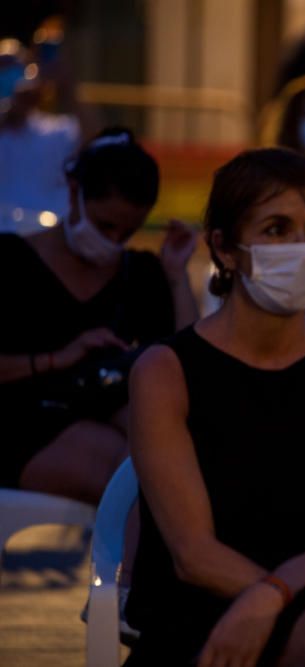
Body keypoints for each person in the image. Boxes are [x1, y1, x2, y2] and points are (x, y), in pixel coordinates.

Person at [124, 148, 305, 667]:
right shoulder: (165, 370)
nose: (302, 249)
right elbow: (191, 553)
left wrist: (273, 597)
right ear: (225, 250)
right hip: (194, 613)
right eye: (276, 230)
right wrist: (268, 599)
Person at [0, 127, 198, 503]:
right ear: (74, 192)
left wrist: (176, 276)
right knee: (139, 472)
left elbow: (190, 363)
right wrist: (58, 359)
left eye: (127, 232)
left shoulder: (139, 273)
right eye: (105, 225)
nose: (113, 241)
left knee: (168, 445)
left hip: (110, 410)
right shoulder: (12, 261)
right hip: (23, 418)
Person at [0, 37, 78, 231]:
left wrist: (67, 88)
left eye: (18, 71)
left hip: (46, 242)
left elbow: (95, 143)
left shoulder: (58, 130)